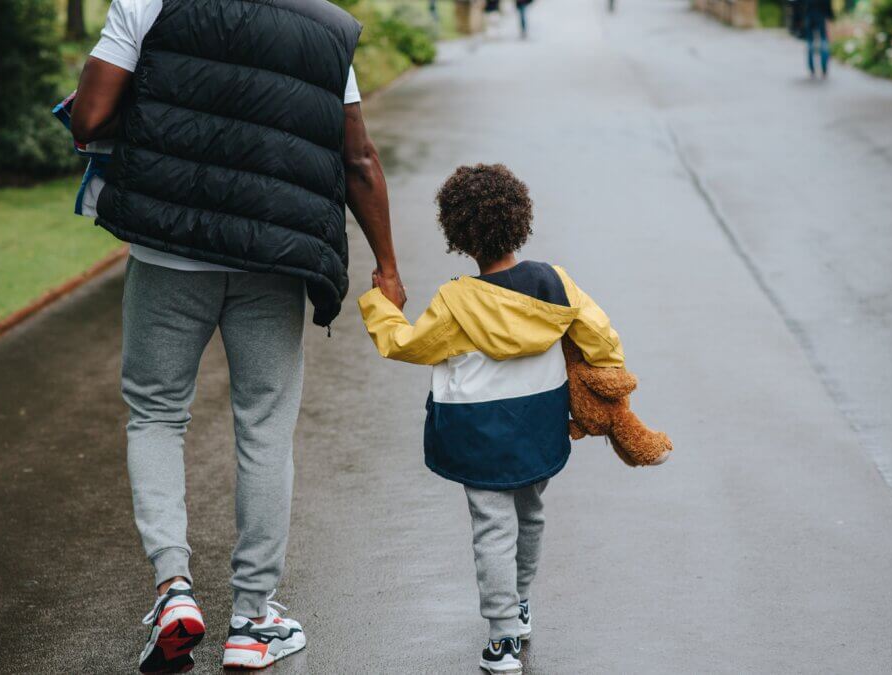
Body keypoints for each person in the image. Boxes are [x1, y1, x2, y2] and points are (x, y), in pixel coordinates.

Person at [70, 0, 406, 671]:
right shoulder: (324, 26)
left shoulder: (147, 3)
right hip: (273, 257)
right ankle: (253, 621)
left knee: (157, 415)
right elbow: (359, 156)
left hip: (170, 252)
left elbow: (90, 118)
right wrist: (387, 264)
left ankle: (173, 591)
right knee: (264, 425)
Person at [357, 164, 625, 674]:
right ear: (520, 220)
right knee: (530, 514)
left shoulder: (458, 301)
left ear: (459, 236)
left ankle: (502, 637)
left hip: (478, 432)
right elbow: (600, 336)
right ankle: (520, 605)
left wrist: (380, 305)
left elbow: (408, 345)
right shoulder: (555, 282)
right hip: (540, 421)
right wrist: (607, 377)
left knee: (491, 528)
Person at [803, 0, 834, 77]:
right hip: (821, 16)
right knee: (823, 41)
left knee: (810, 43)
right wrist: (830, 16)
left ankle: (812, 69)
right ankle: (824, 68)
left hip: (809, 15)